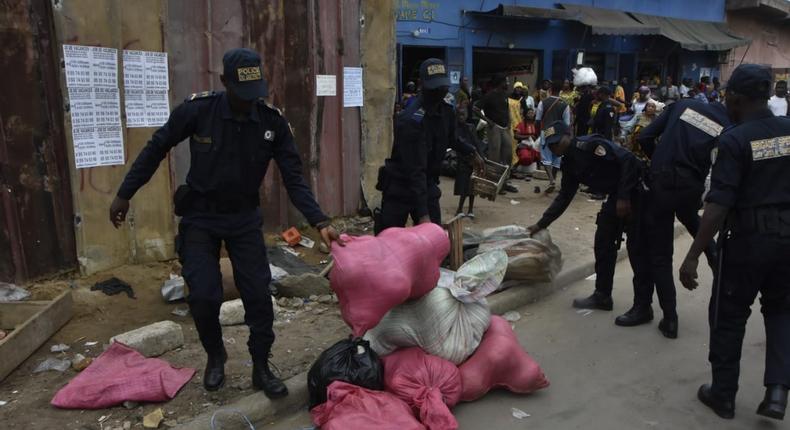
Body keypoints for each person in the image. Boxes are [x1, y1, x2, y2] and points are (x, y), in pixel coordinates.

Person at [108, 48, 343, 397]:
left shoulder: (271, 122)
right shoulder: (198, 110)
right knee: (203, 295)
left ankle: (261, 366)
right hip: (200, 216)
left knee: (259, 297)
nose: (249, 102)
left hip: (244, 218)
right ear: (224, 83)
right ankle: (215, 355)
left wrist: (319, 220)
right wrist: (125, 192)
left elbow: (293, 178)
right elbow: (157, 147)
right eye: (242, 95)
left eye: (255, 95)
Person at [679, 64, 790, 421]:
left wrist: (694, 254)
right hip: (787, 242)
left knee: (728, 316)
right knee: (782, 312)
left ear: (736, 98)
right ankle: (776, 393)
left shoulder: (735, 139)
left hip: (748, 242)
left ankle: (723, 395)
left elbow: (718, 205)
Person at [624, 98, 729, 337]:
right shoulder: (726, 122)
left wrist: (658, 159)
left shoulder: (682, 105)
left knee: (660, 256)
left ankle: (670, 320)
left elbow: (644, 137)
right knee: (689, 215)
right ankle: (714, 257)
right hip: (691, 186)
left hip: (661, 183)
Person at [528, 121, 648, 314]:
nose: (554, 147)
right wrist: (541, 224)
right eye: (550, 145)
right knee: (603, 243)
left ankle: (643, 306)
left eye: (556, 142)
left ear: (568, 135)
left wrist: (624, 197)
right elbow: (565, 196)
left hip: (635, 193)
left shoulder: (590, 145)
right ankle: (603, 296)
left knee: (637, 250)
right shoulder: (568, 163)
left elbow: (629, 161)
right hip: (615, 197)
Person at [376, 58, 483, 234]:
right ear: (422, 85)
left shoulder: (446, 111)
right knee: (389, 243)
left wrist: (472, 152)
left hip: (427, 183)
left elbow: (452, 138)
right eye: (435, 88)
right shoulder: (410, 120)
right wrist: (423, 214)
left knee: (434, 241)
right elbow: (415, 170)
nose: (440, 92)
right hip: (401, 187)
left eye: (443, 87)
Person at [536, 80, 571, 193]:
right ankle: (554, 179)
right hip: (560, 133)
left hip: (547, 131)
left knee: (546, 158)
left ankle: (551, 181)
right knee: (557, 158)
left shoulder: (543, 102)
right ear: (560, 91)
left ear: (549, 90)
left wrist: (538, 133)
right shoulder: (565, 105)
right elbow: (567, 123)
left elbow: (537, 120)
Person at [454, 102, 486, 218]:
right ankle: (460, 209)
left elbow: (476, 142)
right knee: (464, 187)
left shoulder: (470, 127)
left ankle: (471, 210)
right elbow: (459, 144)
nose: (462, 117)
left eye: (464, 115)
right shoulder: (455, 129)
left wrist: (481, 156)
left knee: (473, 186)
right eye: (460, 115)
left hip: (474, 160)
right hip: (463, 160)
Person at [477, 74, 512, 166]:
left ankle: (505, 176)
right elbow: (475, 108)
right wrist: (488, 121)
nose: (508, 83)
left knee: (508, 152)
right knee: (495, 152)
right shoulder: (489, 95)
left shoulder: (505, 95)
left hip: (505, 127)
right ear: (501, 83)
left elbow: (506, 109)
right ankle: (493, 176)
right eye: (506, 81)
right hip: (494, 127)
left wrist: (509, 122)